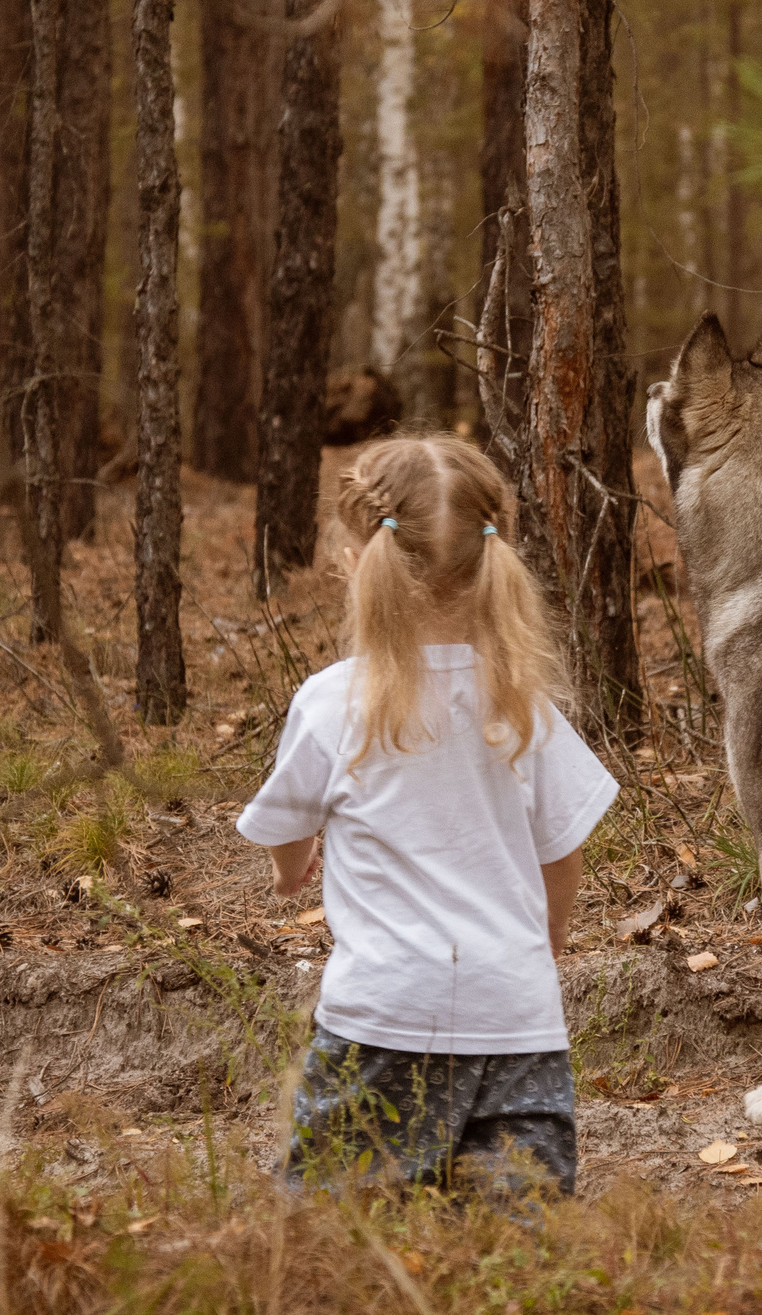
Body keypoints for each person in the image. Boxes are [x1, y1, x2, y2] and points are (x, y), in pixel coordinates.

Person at [239, 433, 617, 1196]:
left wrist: (292, 870)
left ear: (355, 561)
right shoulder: (525, 706)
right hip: (519, 1021)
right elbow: (563, 852)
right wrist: (543, 942)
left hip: (383, 1018)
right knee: (516, 1249)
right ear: (490, 559)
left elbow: (282, 824)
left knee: (334, 1240)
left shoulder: (332, 703)